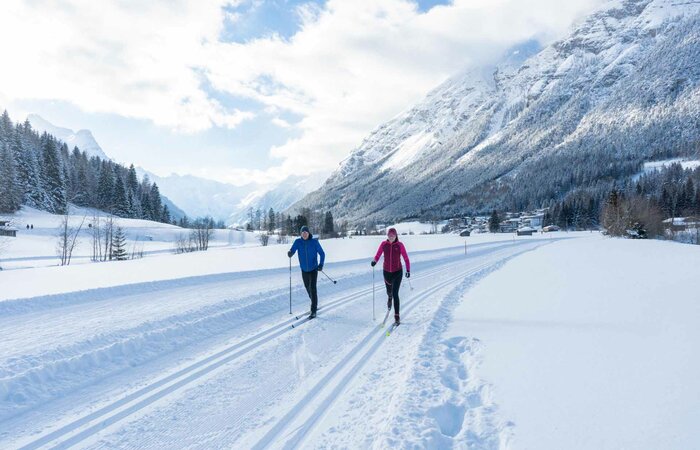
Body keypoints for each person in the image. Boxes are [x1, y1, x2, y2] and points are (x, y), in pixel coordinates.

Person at [371, 227, 410, 325]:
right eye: (389, 235)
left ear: (396, 236)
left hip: (397, 272)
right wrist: (374, 261)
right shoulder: (384, 244)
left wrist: (408, 270)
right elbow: (378, 255)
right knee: (389, 292)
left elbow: (406, 258)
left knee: (395, 294)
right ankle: (389, 297)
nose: (391, 237)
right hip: (387, 272)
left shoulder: (400, 245)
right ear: (387, 236)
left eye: (393, 235)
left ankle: (397, 317)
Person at [288, 225, 325, 319]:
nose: (304, 234)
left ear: (309, 233)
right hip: (304, 269)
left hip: (313, 269)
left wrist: (320, 265)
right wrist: (290, 253)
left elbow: (322, 253)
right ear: (301, 234)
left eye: (306, 232)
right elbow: (292, 250)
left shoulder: (314, 242)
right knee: (307, 288)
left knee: (312, 288)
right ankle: (314, 302)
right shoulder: (298, 242)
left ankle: (313, 310)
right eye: (303, 233)